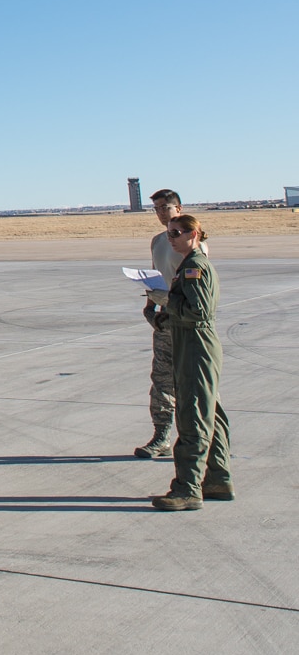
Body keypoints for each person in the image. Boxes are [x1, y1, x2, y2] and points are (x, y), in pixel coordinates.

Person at [151, 214, 233, 512]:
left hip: (195, 346)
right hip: (193, 342)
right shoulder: (189, 265)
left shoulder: (194, 267)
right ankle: (217, 479)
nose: (171, 237)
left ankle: (188, 488)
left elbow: (197, 312)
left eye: (177, 233)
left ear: (194, 234)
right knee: (211, 413)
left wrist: (166, 300)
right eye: (169, 233)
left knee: (193, 417)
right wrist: (160, 314)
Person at [134, 187, 202, 459]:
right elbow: (156, 276)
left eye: (166, 207)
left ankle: (201, 438)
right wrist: (150, 307)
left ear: (179, 208)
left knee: (195, 383)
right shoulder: (158, 241)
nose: (161, 213)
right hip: (165, 318)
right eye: (157, 208)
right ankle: (161, 436)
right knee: (162, 379)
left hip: (186, 320)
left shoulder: (192, 242)